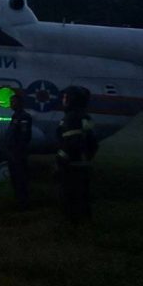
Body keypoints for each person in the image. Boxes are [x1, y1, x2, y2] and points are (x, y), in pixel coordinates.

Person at [56, 86, 98, 224]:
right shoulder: (85, 117)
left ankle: (72, 225)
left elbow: (71, 143)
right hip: (82, 164)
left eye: (65, 97)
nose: (63, 100)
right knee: (82, 196)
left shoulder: (71, 118)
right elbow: (92, 143)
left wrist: (61, 159)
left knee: (69, 196)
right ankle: (84, 223)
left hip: (71, 166)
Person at [4, 93, 32, 209]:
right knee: (15, 178)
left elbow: (24, 136)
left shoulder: (24, 117)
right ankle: (18, 200)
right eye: (11, 102)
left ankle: (23, 202)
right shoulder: (15, 116)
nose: (11, 104)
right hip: (13, 152)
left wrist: (17, 150)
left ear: (20, 103)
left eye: (13, 102)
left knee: (20, 177)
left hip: (18, 153)